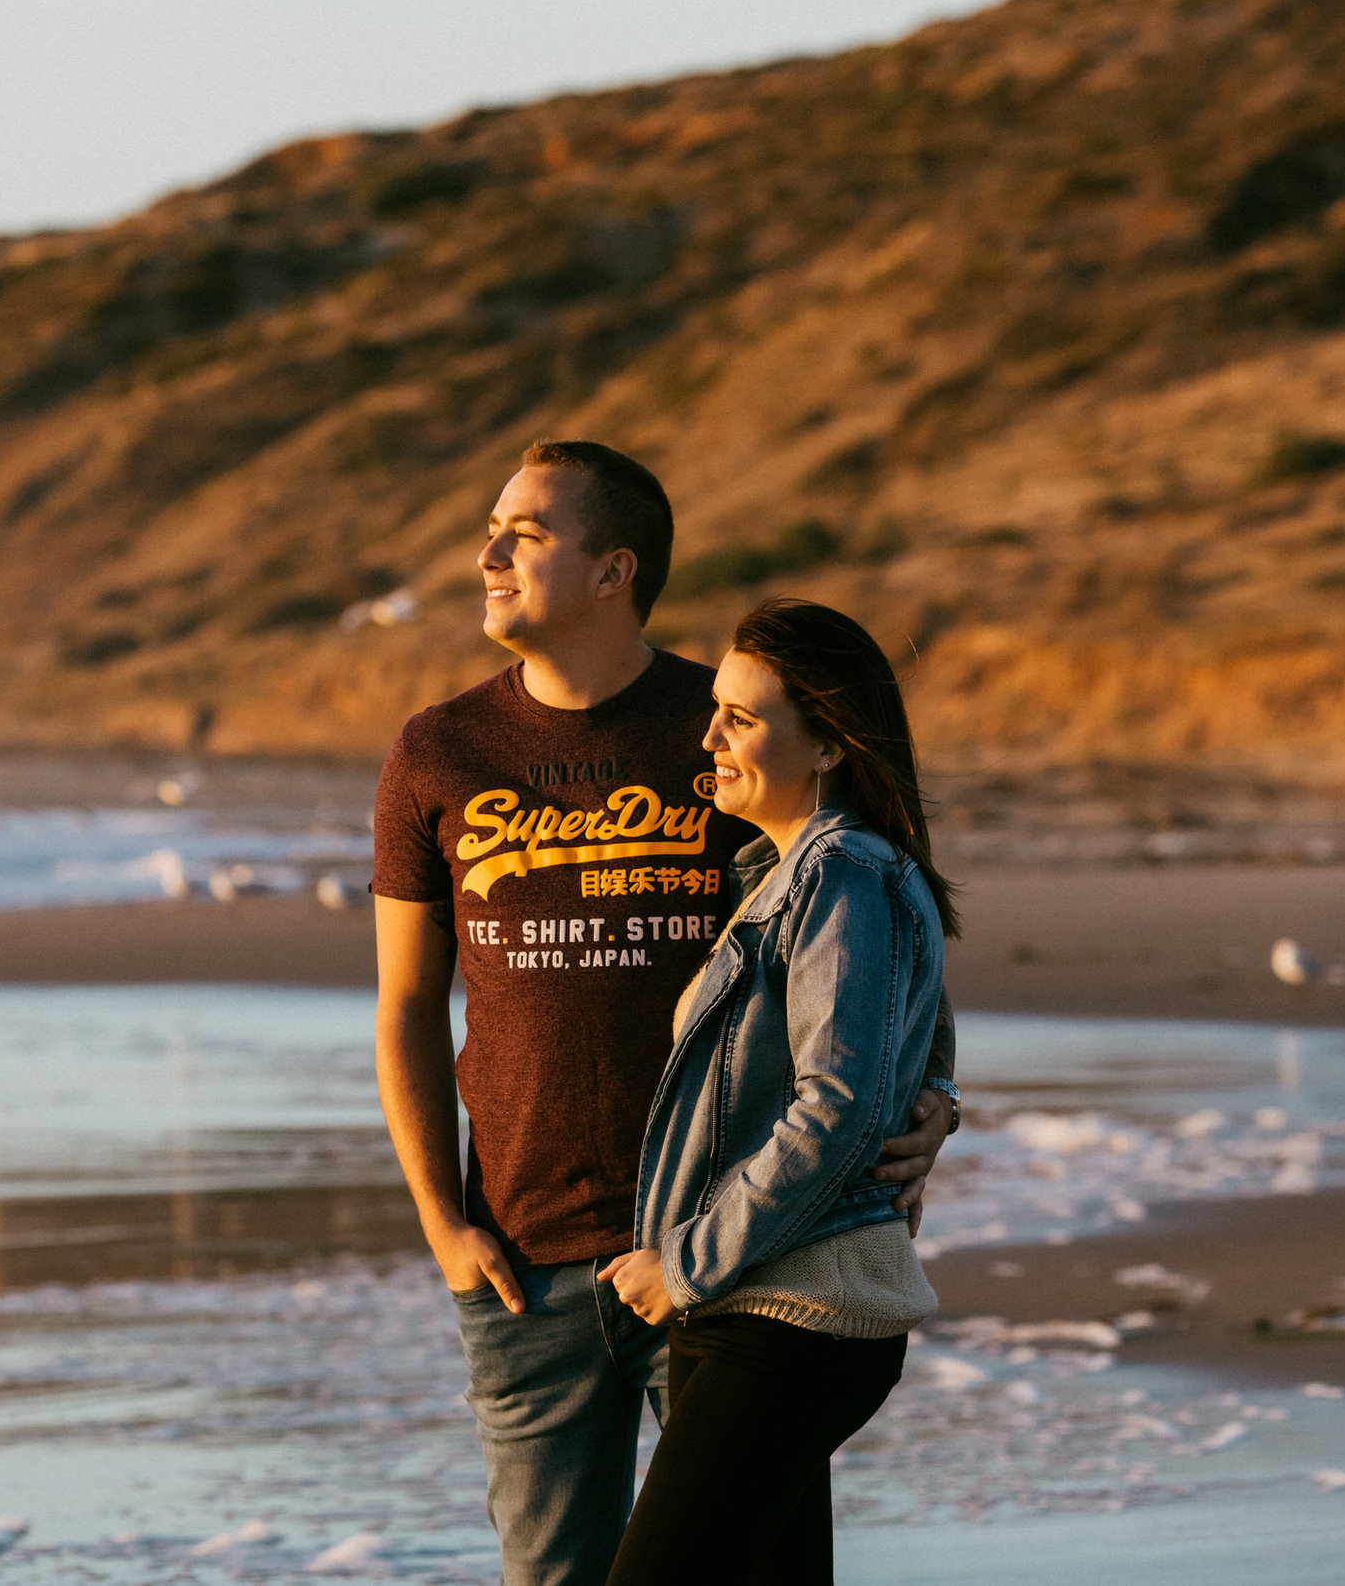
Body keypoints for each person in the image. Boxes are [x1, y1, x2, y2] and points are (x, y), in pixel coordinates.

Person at [370, 443, 962, 1586]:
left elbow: (872, 953)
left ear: (612, 569)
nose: (486, 553)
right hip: (521, 1258)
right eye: (493, 526)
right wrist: (445, 1222)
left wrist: (934, 1101)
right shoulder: (436, 750)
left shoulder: (735, 726)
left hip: (731, 1250)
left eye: (526, 532)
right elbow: (405, 1005)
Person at [597, 597, 959, 1586]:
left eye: (742, 718)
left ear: (831, 744)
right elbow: (914, 1045)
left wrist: (682, 1264)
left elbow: (836, 1106)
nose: (708, 734)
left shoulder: (841, 870)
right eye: (715, 708)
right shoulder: (785, 873)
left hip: (794, 1311)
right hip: (754, 1302)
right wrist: (943, 1101)